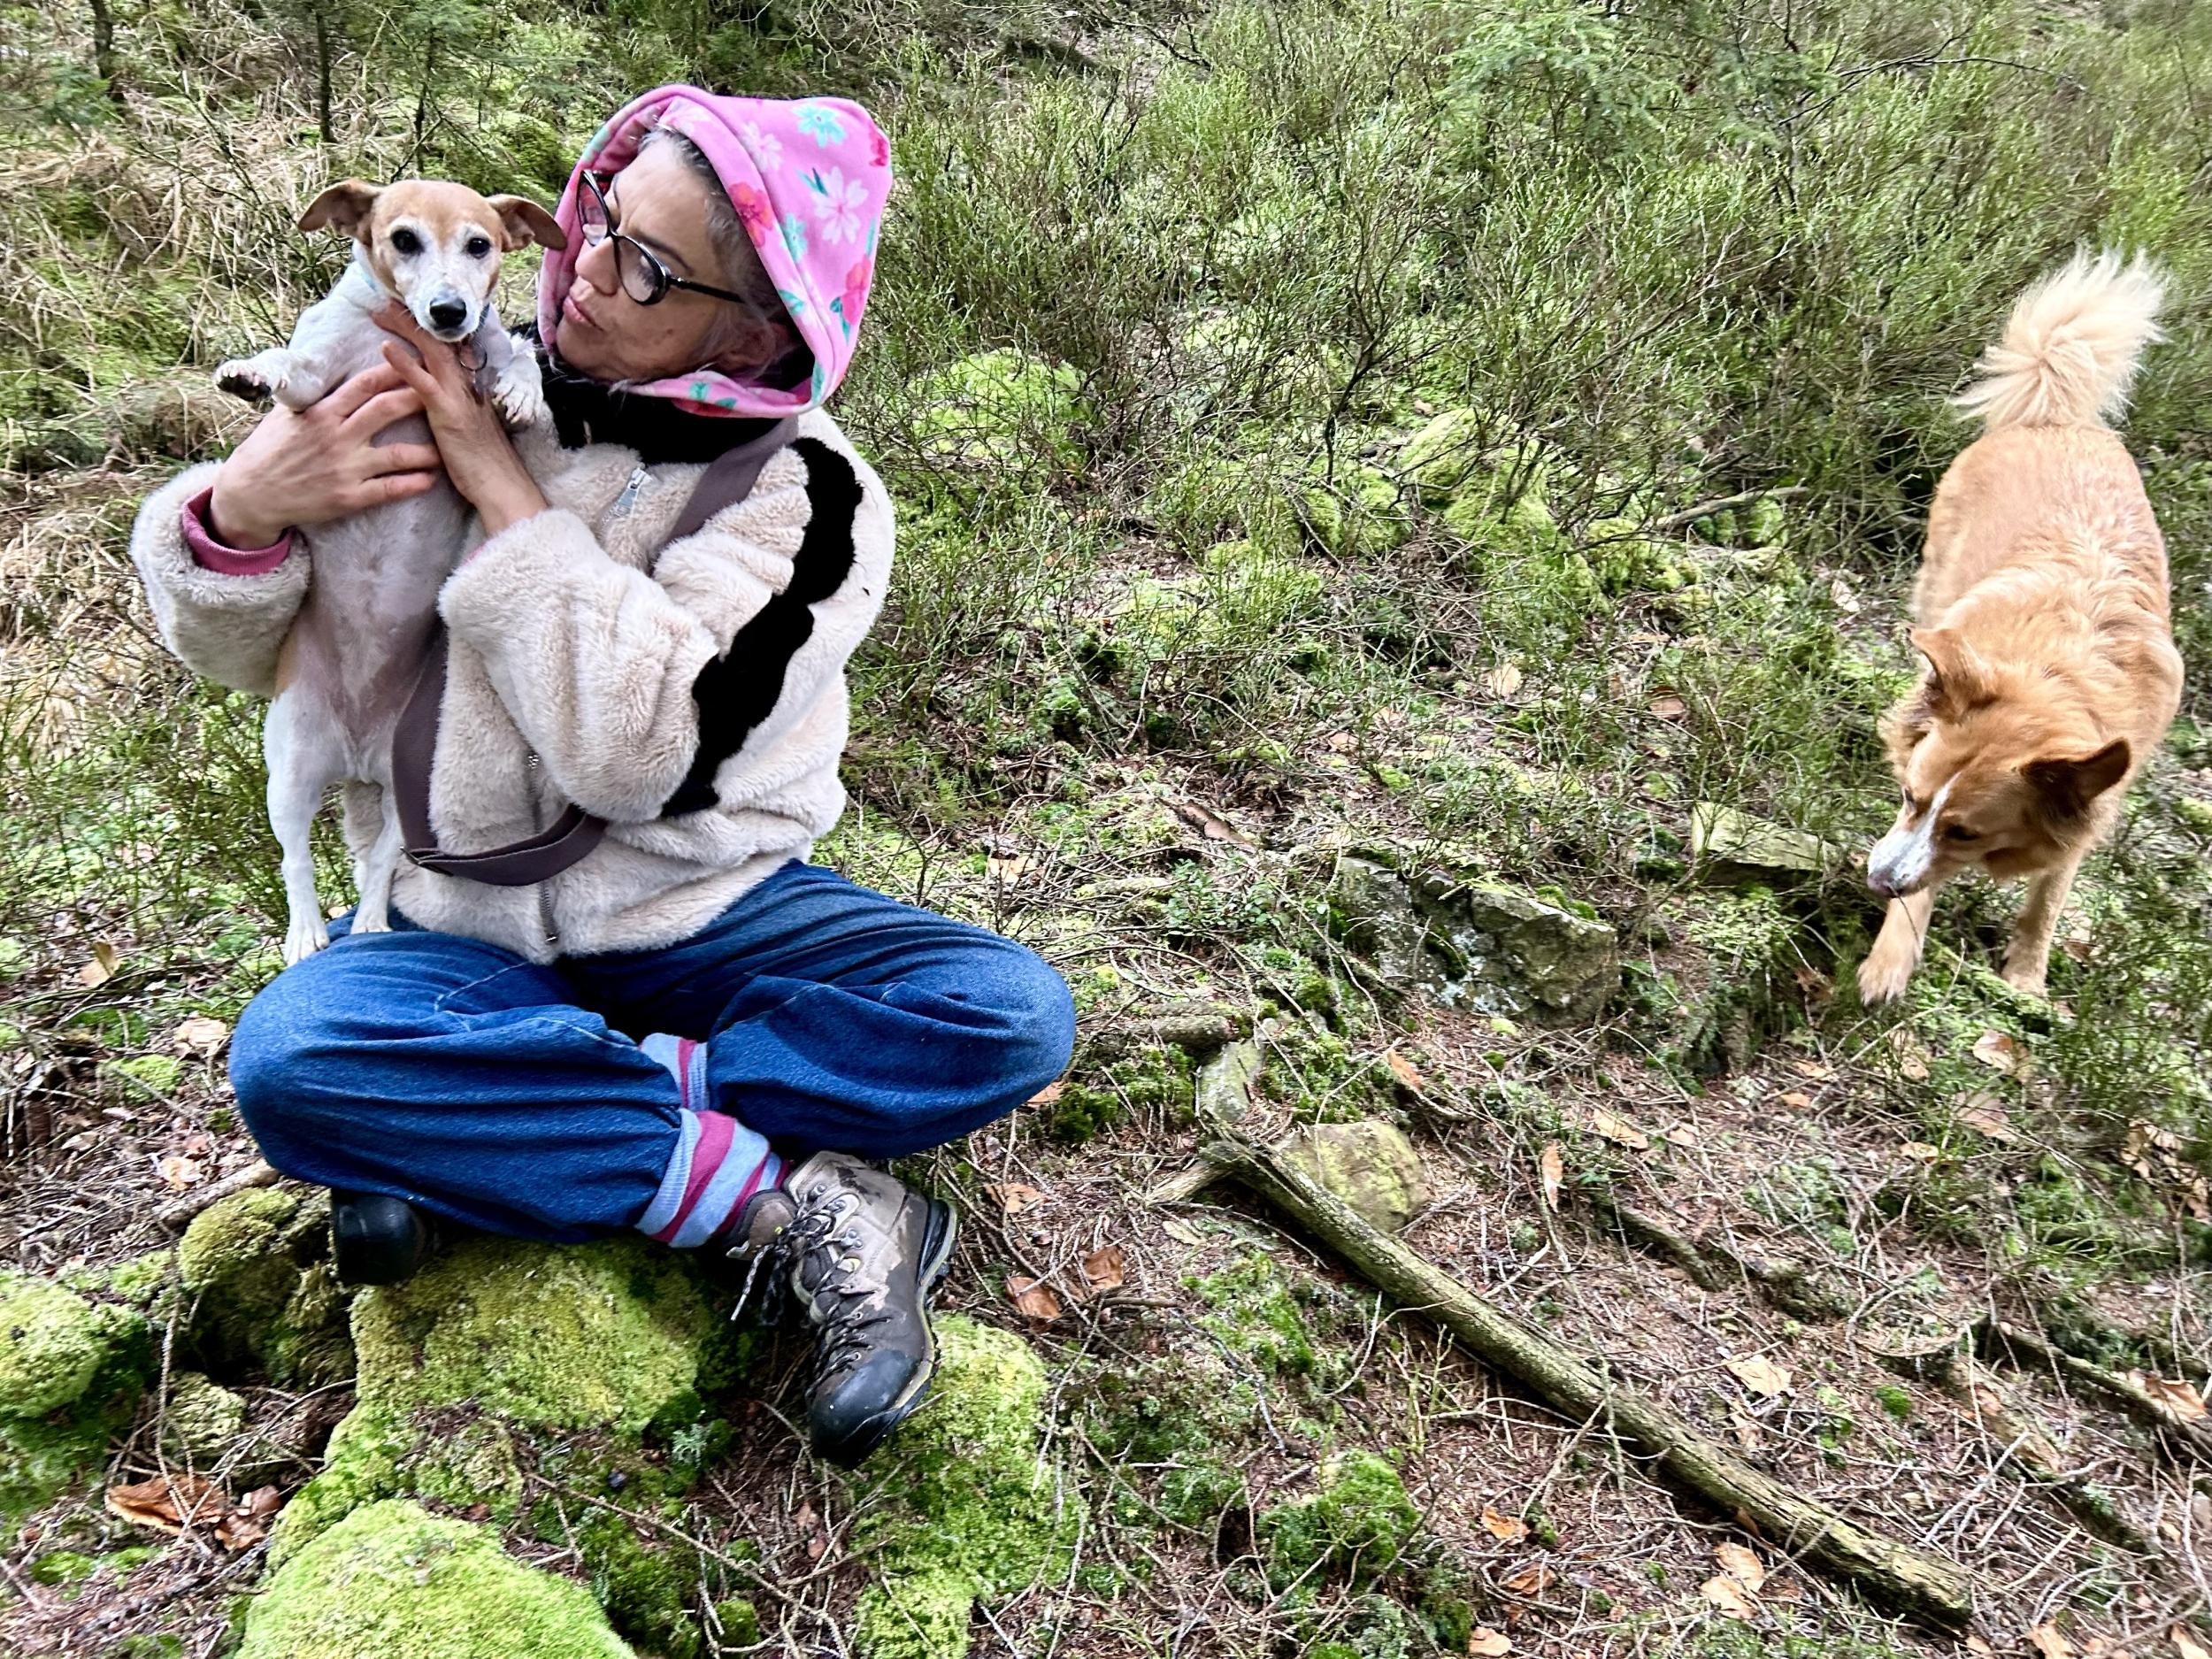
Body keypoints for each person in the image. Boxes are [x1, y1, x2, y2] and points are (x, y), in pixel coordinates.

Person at [127, 86, 1075, 1468]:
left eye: (644, 266)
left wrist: (503, 500)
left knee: (1007, 1015)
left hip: (703, 917)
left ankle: (505, 1129)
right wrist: (239, 512)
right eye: (598, 221)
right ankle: (777, 1188)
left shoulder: (804, 500)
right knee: (289, 1061)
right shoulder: (483, 370)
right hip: (460, 922)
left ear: (755, 326)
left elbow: (645, 755)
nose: (579, 268)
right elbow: (274, 650)